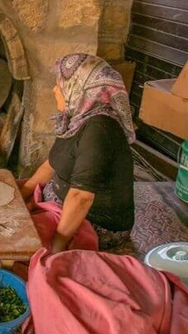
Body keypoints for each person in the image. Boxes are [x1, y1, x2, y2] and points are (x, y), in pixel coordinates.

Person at [18, 54, 135, 252]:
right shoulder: (77, 120)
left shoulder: (100, 129)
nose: (55, 90)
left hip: (96, 223)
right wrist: (22, 194)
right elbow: (51, 164)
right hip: (62, 204)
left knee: (20, 239)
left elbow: (81, 197)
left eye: (59, 85)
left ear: (77, 89)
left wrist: (57, 246)